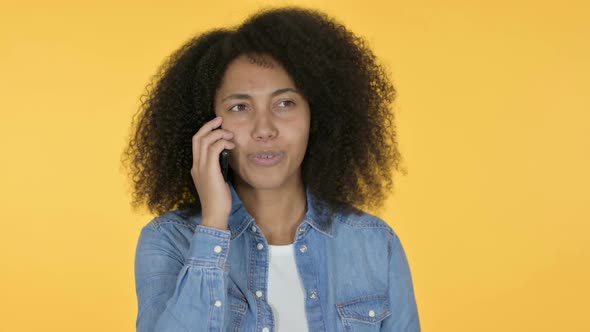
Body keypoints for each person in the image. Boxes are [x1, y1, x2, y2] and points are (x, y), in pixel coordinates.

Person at [122, 6, 420, 332]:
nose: (264, 129)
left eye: (284, 103)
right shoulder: (169, 241)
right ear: (207, 125)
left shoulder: (375, 245)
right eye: (240, 107)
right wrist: (213, 225)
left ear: (317, 115)